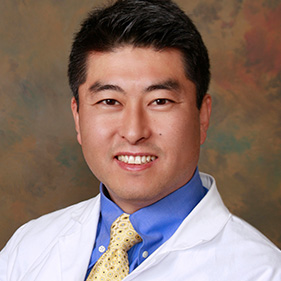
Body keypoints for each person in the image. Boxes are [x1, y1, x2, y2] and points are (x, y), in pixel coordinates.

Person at [0, 0, 280, 280]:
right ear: (77, 116)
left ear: (202, 115)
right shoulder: (27, 248)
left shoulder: (263, 271)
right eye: (109, 101)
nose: (134, 132)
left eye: (160, 101)